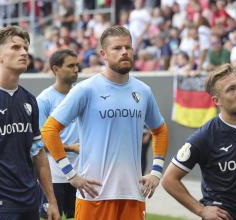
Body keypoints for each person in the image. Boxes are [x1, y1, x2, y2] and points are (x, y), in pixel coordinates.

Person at [41, 25, 168, 220]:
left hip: (134, 195)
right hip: (94, 196)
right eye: (117, 48)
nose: (124, 52)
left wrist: (157, 171)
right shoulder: (86, 89)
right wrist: (71, 174)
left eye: (128, 47)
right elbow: (49, 130)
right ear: (103, 54)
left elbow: (160, 130)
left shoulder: (143, 91)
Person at [0, 26, 60, 220]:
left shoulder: (29, 100)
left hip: (31, 203)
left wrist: (51, 201)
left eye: (25, 48)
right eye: (15, 48)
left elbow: (38, 153)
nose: (24, 52)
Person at [162, 63, 236, 220]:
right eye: (231, 89)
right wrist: (201, 210)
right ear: (217, 100)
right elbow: (169, 180)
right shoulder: (205, 136)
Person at [37, 49, 80, 219]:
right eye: (70, 66)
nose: (76, 69)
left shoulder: (81, 95)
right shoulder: (44, 100)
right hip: (54, 176)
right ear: (55, 69)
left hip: (82, 173)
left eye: (77, 65)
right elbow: (40, 140)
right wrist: (71, 148)